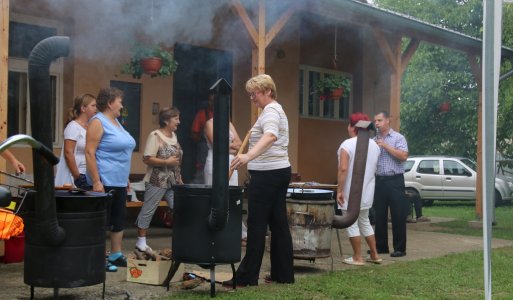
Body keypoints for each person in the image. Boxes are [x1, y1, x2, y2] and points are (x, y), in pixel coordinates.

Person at [225, 74, 294, 286]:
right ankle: (282, 274)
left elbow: (271, 136)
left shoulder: (271, 111)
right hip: (278, 171)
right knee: (278, 223)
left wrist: (248, 156)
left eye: (254, 93)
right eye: (250, 94)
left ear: (268, 91)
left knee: (256, 224)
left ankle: (247, 276)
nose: (251, 98)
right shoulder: (272, 110)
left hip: (267, 175)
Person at [85, 87, 136, 272]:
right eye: (119, 101)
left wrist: (126, 176)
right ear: (109, 103)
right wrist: (97, 181)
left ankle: (115, 255)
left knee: (118, 218)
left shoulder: (116, 122)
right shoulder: (97, 121)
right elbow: (89, 152)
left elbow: (122, 152)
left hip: (120, 180)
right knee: (101, 221)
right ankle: (98, 256)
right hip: (104, 179)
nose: (122, 105)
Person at [135, 107, 183, 252]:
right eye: (176, 119)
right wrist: (166, 162)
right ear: (167, 121)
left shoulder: (174, 135)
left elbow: (176, 160)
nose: (179, 122)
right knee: (149, 209)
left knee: (180, 208)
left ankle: (183, 238)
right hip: (157, 180)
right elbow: (147, 158)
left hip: (173, 181)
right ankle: (140, 241)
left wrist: (180, 178)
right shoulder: (155, 136)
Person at [337, 113, 382, 266]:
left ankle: (358, 257)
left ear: (353, 127)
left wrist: (339, 190)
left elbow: (343, 169)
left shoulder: (347, 144)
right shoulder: (375, 146)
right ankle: (375, 255)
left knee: (350, 222)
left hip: (351, 191)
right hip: (367, 190)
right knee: (364, 221)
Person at [203, 117, 248, 243]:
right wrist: (229, 146)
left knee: (232, 196)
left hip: (230, 161)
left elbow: (239, 143)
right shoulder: (209, 123)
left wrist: (227, 146)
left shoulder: (228, 123)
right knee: (216, 195)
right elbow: (216, 145)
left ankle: (236, 230)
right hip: (215, 161)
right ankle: (216, 228)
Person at [373, 111, 409, 258]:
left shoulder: (398, 138)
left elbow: (403, 156)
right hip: (379, 181)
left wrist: (385, 146)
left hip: (395, 181)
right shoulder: (374, 139)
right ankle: (381, 247)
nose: (377, 123)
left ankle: (400, 248)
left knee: (398, 215)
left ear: (388, 120)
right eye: (375, 121)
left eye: (380, 120)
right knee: (379, 215)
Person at [55, 94, 97, 189]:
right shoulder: (73, 126)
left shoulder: (90, 127)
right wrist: (78, 177)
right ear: (83, 108)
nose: (96, 108)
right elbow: (68, 152)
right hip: (76, 176)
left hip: (89, 175)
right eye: (93, 106)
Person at [190, 91, 214, 183]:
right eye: (211, 100)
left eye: (215, 100)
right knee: (200, 174)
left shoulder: (223, 114)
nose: (212, 103)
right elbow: (193, 134)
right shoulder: (202, 114)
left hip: (222, 149)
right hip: (204, 148)